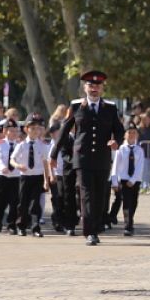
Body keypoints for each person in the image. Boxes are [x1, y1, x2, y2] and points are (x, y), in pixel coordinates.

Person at [53, 70, 124, 246]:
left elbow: (119, 130)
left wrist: (116, 141)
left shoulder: (110, 107)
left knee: (100, 196)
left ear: (102, 88)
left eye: (97, 86)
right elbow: (64, 131)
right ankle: (89, 232)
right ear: (84, 87)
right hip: (82, 158)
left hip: (102, 158)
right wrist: (54, 154)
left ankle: (96, 225)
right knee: (86, 194)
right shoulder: (76, 106)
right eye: (91, 85)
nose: (94, 89)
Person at [11, 114, 49, 238]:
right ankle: (21, 226)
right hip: (25, 177)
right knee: (23, 203)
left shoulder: (42, 145)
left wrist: (46, 180)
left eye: (38, 128)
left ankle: (35, 228)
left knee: (35, 203)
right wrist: (17, 165)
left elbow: (45, 163)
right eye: (32, 128)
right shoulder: (21, 145)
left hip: (37, 177)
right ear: (26, 129)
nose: (35, 131)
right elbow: (12, 159)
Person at [110, 125, 150, 236]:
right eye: (129, 133)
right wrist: (114, 181)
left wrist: (133, 180)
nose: (131, 135)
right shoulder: (121, 149)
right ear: (125, 135)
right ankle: (128, 225)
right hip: (123, 179)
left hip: (135, 180)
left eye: (134, 133)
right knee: (126, 202)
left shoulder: (139, 150)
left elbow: (139, 167)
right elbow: (115, 167)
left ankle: (130, 219)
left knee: (134, 202)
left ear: (137, 135)